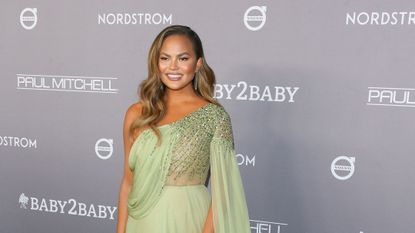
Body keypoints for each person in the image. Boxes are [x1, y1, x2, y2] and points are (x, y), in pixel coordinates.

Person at [116, 25, 250, 233]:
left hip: (187, 219)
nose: (173, 67)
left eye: (183, 58)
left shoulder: (215, 117)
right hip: (141, 220)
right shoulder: (136, 113)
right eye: (165, 58)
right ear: (156, 63)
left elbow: (223, 194)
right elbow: (127, 182)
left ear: (198, 64)